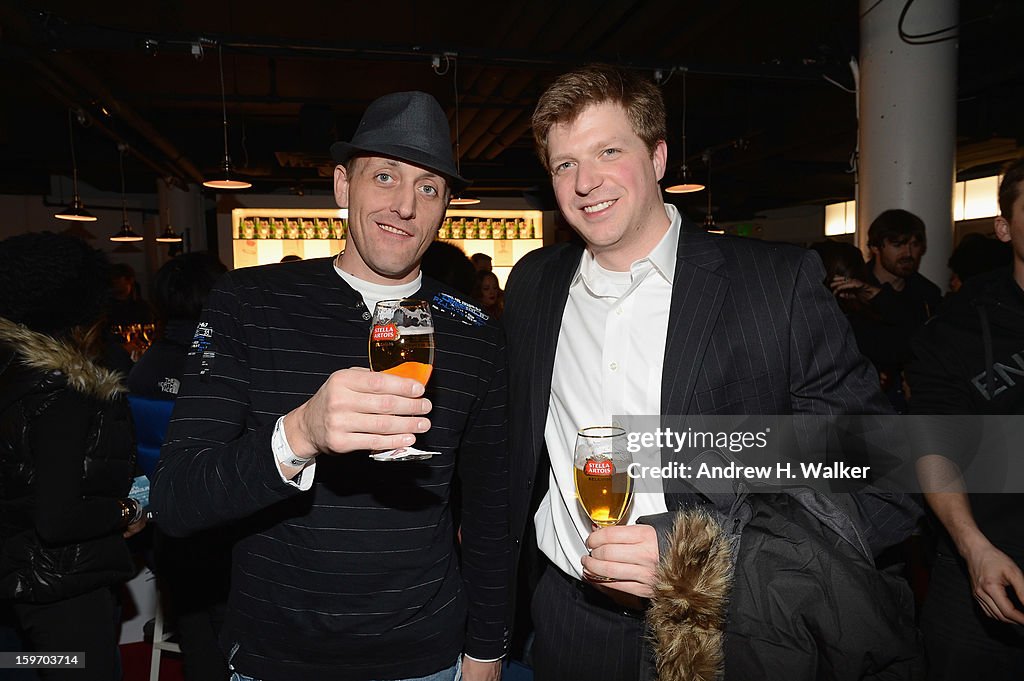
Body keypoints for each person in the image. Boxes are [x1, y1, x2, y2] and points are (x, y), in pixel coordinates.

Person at [504, 64, 920, 681]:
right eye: (564, 164)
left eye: (608, 151)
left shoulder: (774, 285)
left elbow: (883, 481)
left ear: (658, 156)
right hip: (570, 627)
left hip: (726, 634)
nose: (585, 181)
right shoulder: (535, 284)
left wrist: (699, 551)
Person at [150, 91, 509, 681]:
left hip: (427, 657)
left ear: (446, 206)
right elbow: (176, 500)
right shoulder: (248, 302)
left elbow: (491, 513)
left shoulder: (475, 332)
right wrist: (300, 434)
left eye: (428, 188)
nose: (404, 205)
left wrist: (487, 650)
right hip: (278, 655)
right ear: (343, 186)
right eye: (385, 176)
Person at [0, 231, 146, 680]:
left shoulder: (14, 376)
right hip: (62, 585)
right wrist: (127, 508)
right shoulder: (65, 393)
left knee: (24, 665)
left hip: (20, 575)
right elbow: (58, 518)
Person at [907, 158, 1024, 680]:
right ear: (1004, 227)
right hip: (986, 564)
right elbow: (936, 449)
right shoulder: (956, 329)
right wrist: (974, 548)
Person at [129, 251, 230, 681]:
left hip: (168, 532)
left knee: (197, 644)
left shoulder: (145, 366)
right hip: (227, 531)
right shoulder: (221, 364)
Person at [829, 210, 943, 411]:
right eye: (898, 245)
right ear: (875, 247)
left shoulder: (927, 293)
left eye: (915, 245)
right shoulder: (852, 289)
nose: (908, 253)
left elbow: (931, 344)